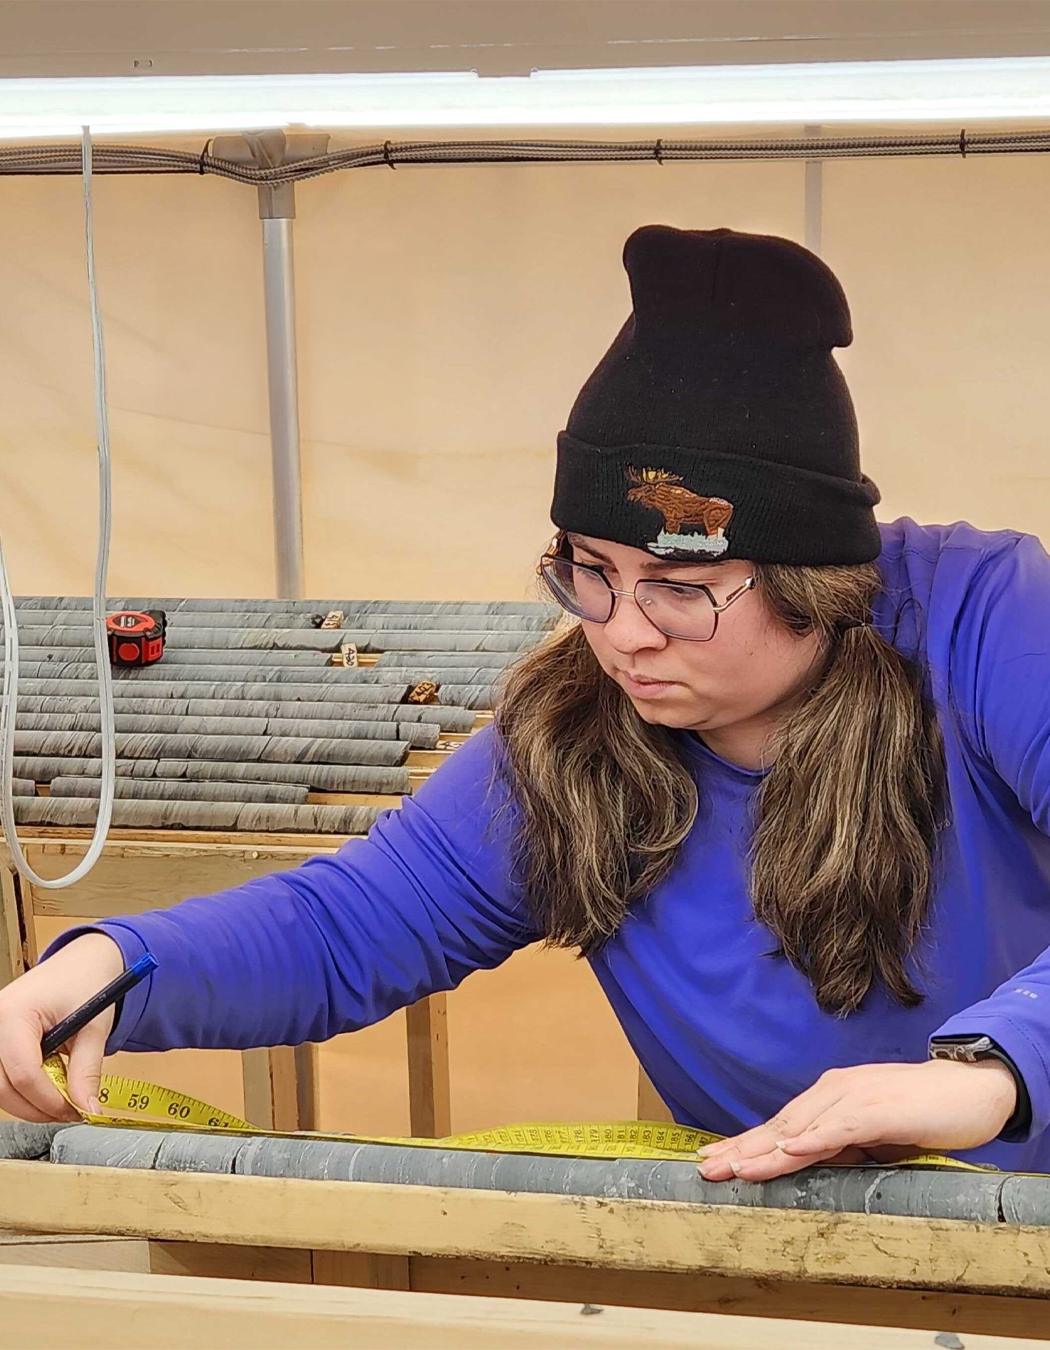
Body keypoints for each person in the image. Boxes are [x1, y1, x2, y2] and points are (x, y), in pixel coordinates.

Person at [1, 223, 1048, 1182]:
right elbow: (352, 923)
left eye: (682, 589)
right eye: (588, 568)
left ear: (817, 583)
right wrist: (116, 964)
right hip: (800, 1252)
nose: (622, 633)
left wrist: (993, 1074)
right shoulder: (575, 736)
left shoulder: (989, 617)